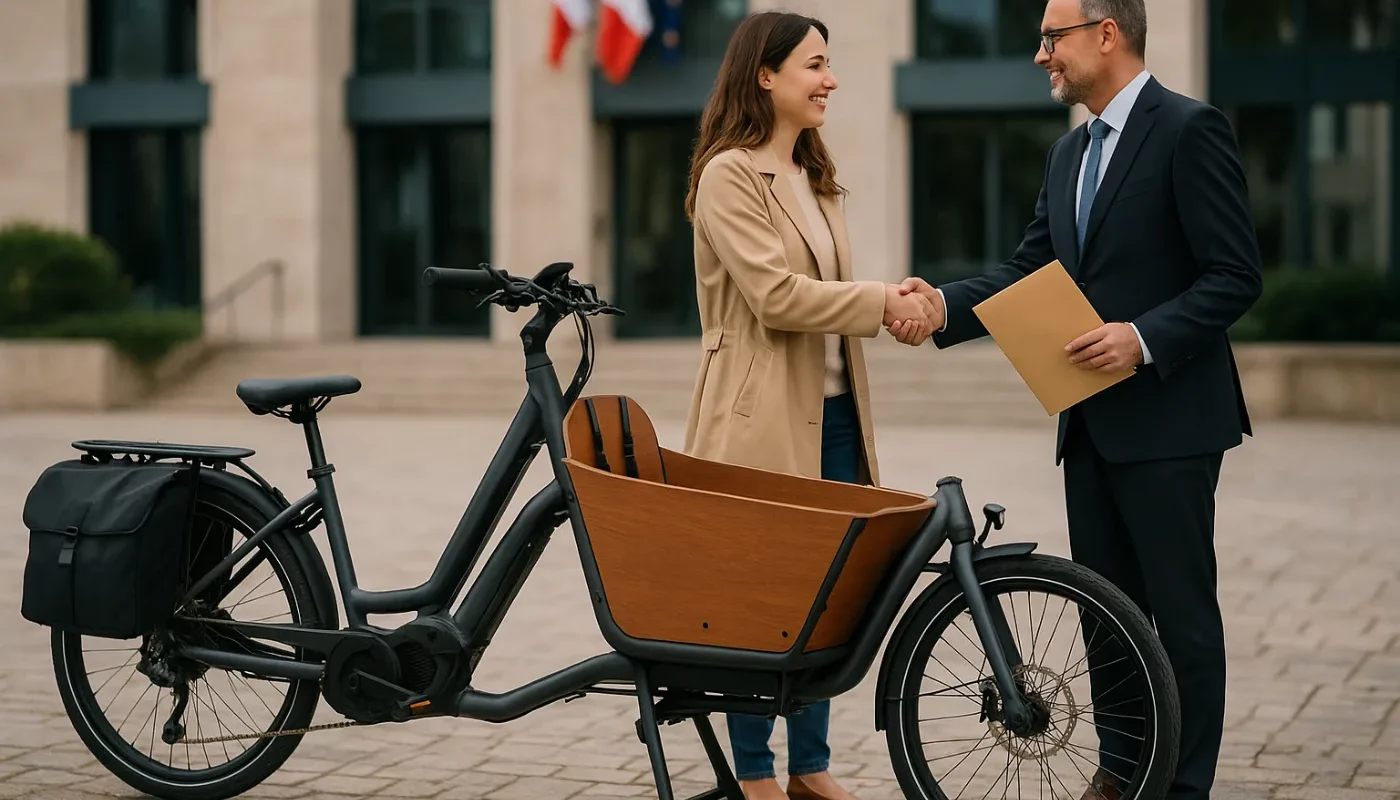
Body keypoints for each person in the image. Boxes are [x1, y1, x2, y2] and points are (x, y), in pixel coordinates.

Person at [889, 0, 1264, 798]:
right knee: (1105, 617)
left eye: (1051, 37)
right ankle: (1122, 772)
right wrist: (942, 307)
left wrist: (1143, 337)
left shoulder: (1190, 130)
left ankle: (1184, 787)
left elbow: (1235, 274)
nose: (1039, 55)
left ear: (1106, 33)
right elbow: (1030, 273)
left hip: (1172, 423)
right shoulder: (1067, 156)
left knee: (1183, 620)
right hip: (1090, 426)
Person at [682, 10, 935, 800]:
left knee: (831, 598)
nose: (830, 80)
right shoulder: (728, 173)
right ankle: (755, 774)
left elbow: (822, 296)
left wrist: (892, 307)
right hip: (756, 420)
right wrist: (881, 301)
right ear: (765, 74)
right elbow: (775, 295)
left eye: (829, 65)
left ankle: (811, 766)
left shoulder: (815, 177)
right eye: (814, 65)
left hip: (834, 417)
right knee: (759, 599)